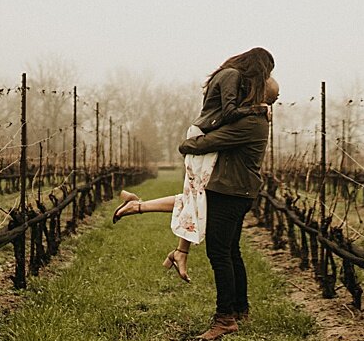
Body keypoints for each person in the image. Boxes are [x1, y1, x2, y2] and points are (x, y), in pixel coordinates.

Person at [112, 48, 274, 282]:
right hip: (201, 136)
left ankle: (141, 210)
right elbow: (228, 113)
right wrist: (257, 109)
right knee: (197, 197)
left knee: (196, 197)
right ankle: (171, 242)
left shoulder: (230, 74)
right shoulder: (231, 74)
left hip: (205, 134)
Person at [178, 74, 277, 340]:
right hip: (238, 191)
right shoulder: (256, 120)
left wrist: (186, 144)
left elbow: (207, 142)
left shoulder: (251, 123)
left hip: (230, 192)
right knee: (231, 250)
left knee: (219, 253)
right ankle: (239, 308)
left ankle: (224, 319)